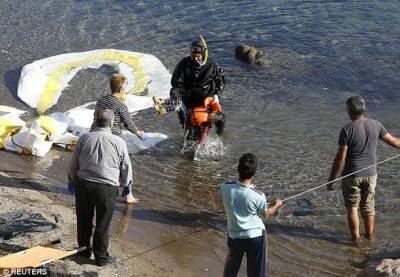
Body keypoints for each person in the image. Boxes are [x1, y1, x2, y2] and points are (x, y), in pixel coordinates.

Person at [327, 96, 400, 242]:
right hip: (371, 175)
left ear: (349, 110)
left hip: (351, 175)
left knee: (352, 207)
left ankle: (355, 240)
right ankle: (369, 237)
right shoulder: (376, 124)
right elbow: (395, 143)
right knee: (368, 207)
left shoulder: (346, 130)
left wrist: (331, 179)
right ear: (363, 108)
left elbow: (340, 158)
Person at [68, 109, 135, 266]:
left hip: (84, 184)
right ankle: (101, 257)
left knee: (84, 219)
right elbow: (126, 167)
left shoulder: (84, 138)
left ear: (95, 121)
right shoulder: (118, 142)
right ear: (111, 124)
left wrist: (71, 179)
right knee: (102, 223)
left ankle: (84, 250)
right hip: (107, 188)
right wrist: (127, 186)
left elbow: (73, 163)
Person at [219, 153, 283, 277]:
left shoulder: (224, 187)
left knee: (230, 270)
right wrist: (276, 205)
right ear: (254, 173)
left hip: (234, 235)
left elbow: (222, 198)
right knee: (256, 272)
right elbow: (266, 213)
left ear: (238, 168)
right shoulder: (258, 195)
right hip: (255, 237)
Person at [153, 36, 226, 135]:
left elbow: (221, 82)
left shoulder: (211, 65)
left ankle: (219, 136)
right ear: (190, 53)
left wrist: (216, 96)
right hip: (188, 98)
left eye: (198, 56)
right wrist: (178, 98)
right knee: (174, 93)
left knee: (221, 117)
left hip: (206, 99)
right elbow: (176, 84)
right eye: (193, 55)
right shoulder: (183, 64)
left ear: (203, 54)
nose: (195, 58)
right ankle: (175, 111)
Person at [91, 73, 146, 139]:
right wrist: (139, 134)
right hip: (112, 134)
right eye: (126, 85)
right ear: (122, 89)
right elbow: (129, 124)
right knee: (123, 137)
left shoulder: (101, 100)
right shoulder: (120, 104)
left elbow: (95, 116)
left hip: (94, 131)